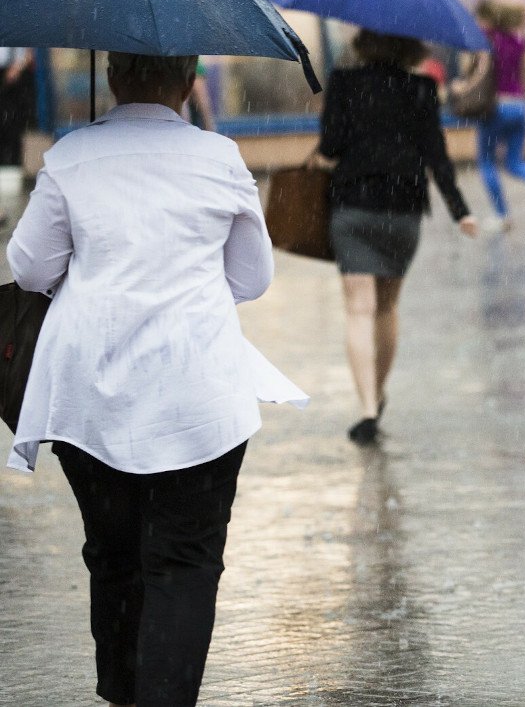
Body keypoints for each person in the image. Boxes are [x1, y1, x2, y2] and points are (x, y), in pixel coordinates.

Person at [6, 52, 305, 707]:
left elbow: (28, 266)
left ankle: (121, 688)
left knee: (113, 552)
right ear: (189, 79)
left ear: (112, 76)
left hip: (88, 396)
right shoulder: (220, 157)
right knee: (185, 560)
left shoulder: (71, 157)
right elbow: (251, 278)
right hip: (198, 394)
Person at [315, 29, 478, 444]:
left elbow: (330, 147)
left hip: (353, 204)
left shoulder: (344, 83)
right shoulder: (422, 89)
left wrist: (335, 144)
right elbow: (436, 155)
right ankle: (379, 393)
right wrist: (461, 210)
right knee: (386, 308)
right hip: (403, 211)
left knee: (357, 309)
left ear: (363, 41)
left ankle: (367, 407)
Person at [465, 0, 525, 230]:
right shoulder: (519, 42)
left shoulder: (487, 41)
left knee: (486, 162)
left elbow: (475, 72)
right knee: (514, 161)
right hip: (520, 106)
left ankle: (502, 215)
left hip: (496, 107)